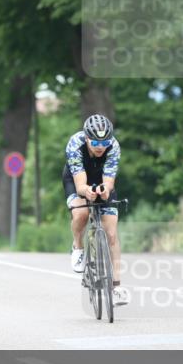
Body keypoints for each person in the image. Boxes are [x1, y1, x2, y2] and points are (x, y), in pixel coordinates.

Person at [63, 114, 128, 306]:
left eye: (105, 141)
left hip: (101, 180)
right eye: (95, 142)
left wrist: (105, 190)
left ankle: (116, 287)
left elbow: (108, 181)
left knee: (112, 233)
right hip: (77, 180)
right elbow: (81, 184)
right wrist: (87, 192)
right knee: (81, 213)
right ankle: (78, 246)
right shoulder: (75, 144)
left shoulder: (114, 147)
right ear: (86, 137)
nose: (101, 146)